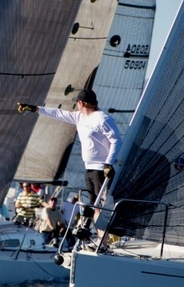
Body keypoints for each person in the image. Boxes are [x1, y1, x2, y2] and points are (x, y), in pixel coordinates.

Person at [18, 89, 121, 249]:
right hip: (89, 169)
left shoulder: (102, 118)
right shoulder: (80, 117)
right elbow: (58, 114)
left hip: (102, 169)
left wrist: (109, 163)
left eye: (77, 102)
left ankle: (106, 242)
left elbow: (116, 140)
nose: (76, 105)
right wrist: (36, 109)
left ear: (82, 103)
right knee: (95, 207)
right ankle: (102, 241)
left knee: (102, 206)